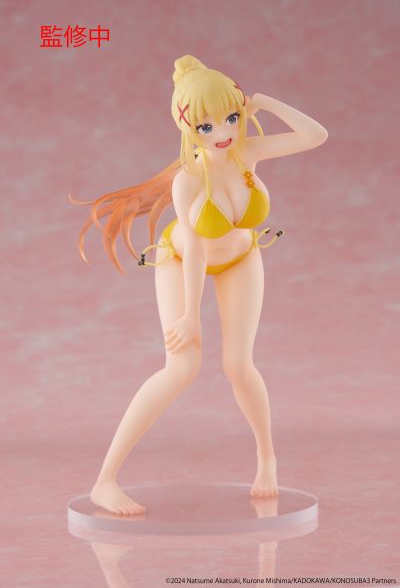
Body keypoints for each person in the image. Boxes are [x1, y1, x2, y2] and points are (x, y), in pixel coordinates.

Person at [70, 54, 328, 515]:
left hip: (241, 258)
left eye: (231, 118)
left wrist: (263, 102)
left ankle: (267, 458)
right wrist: (191, 314)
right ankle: (104, 481)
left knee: (239, 365)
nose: (223, 133)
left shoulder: (247, 151)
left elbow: (316, 135)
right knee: (181, 367)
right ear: (188, 128)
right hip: (181, 262)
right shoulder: (188, 180)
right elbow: (194, 249)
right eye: (206, 126)